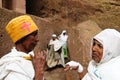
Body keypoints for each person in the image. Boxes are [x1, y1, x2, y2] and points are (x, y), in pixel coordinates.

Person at [0, 15, 46, 80]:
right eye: (34, 35)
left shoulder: (31, 59)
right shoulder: (12, 66)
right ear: (20, 38)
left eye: (37, 35)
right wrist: (39, 72)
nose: (37, 39)